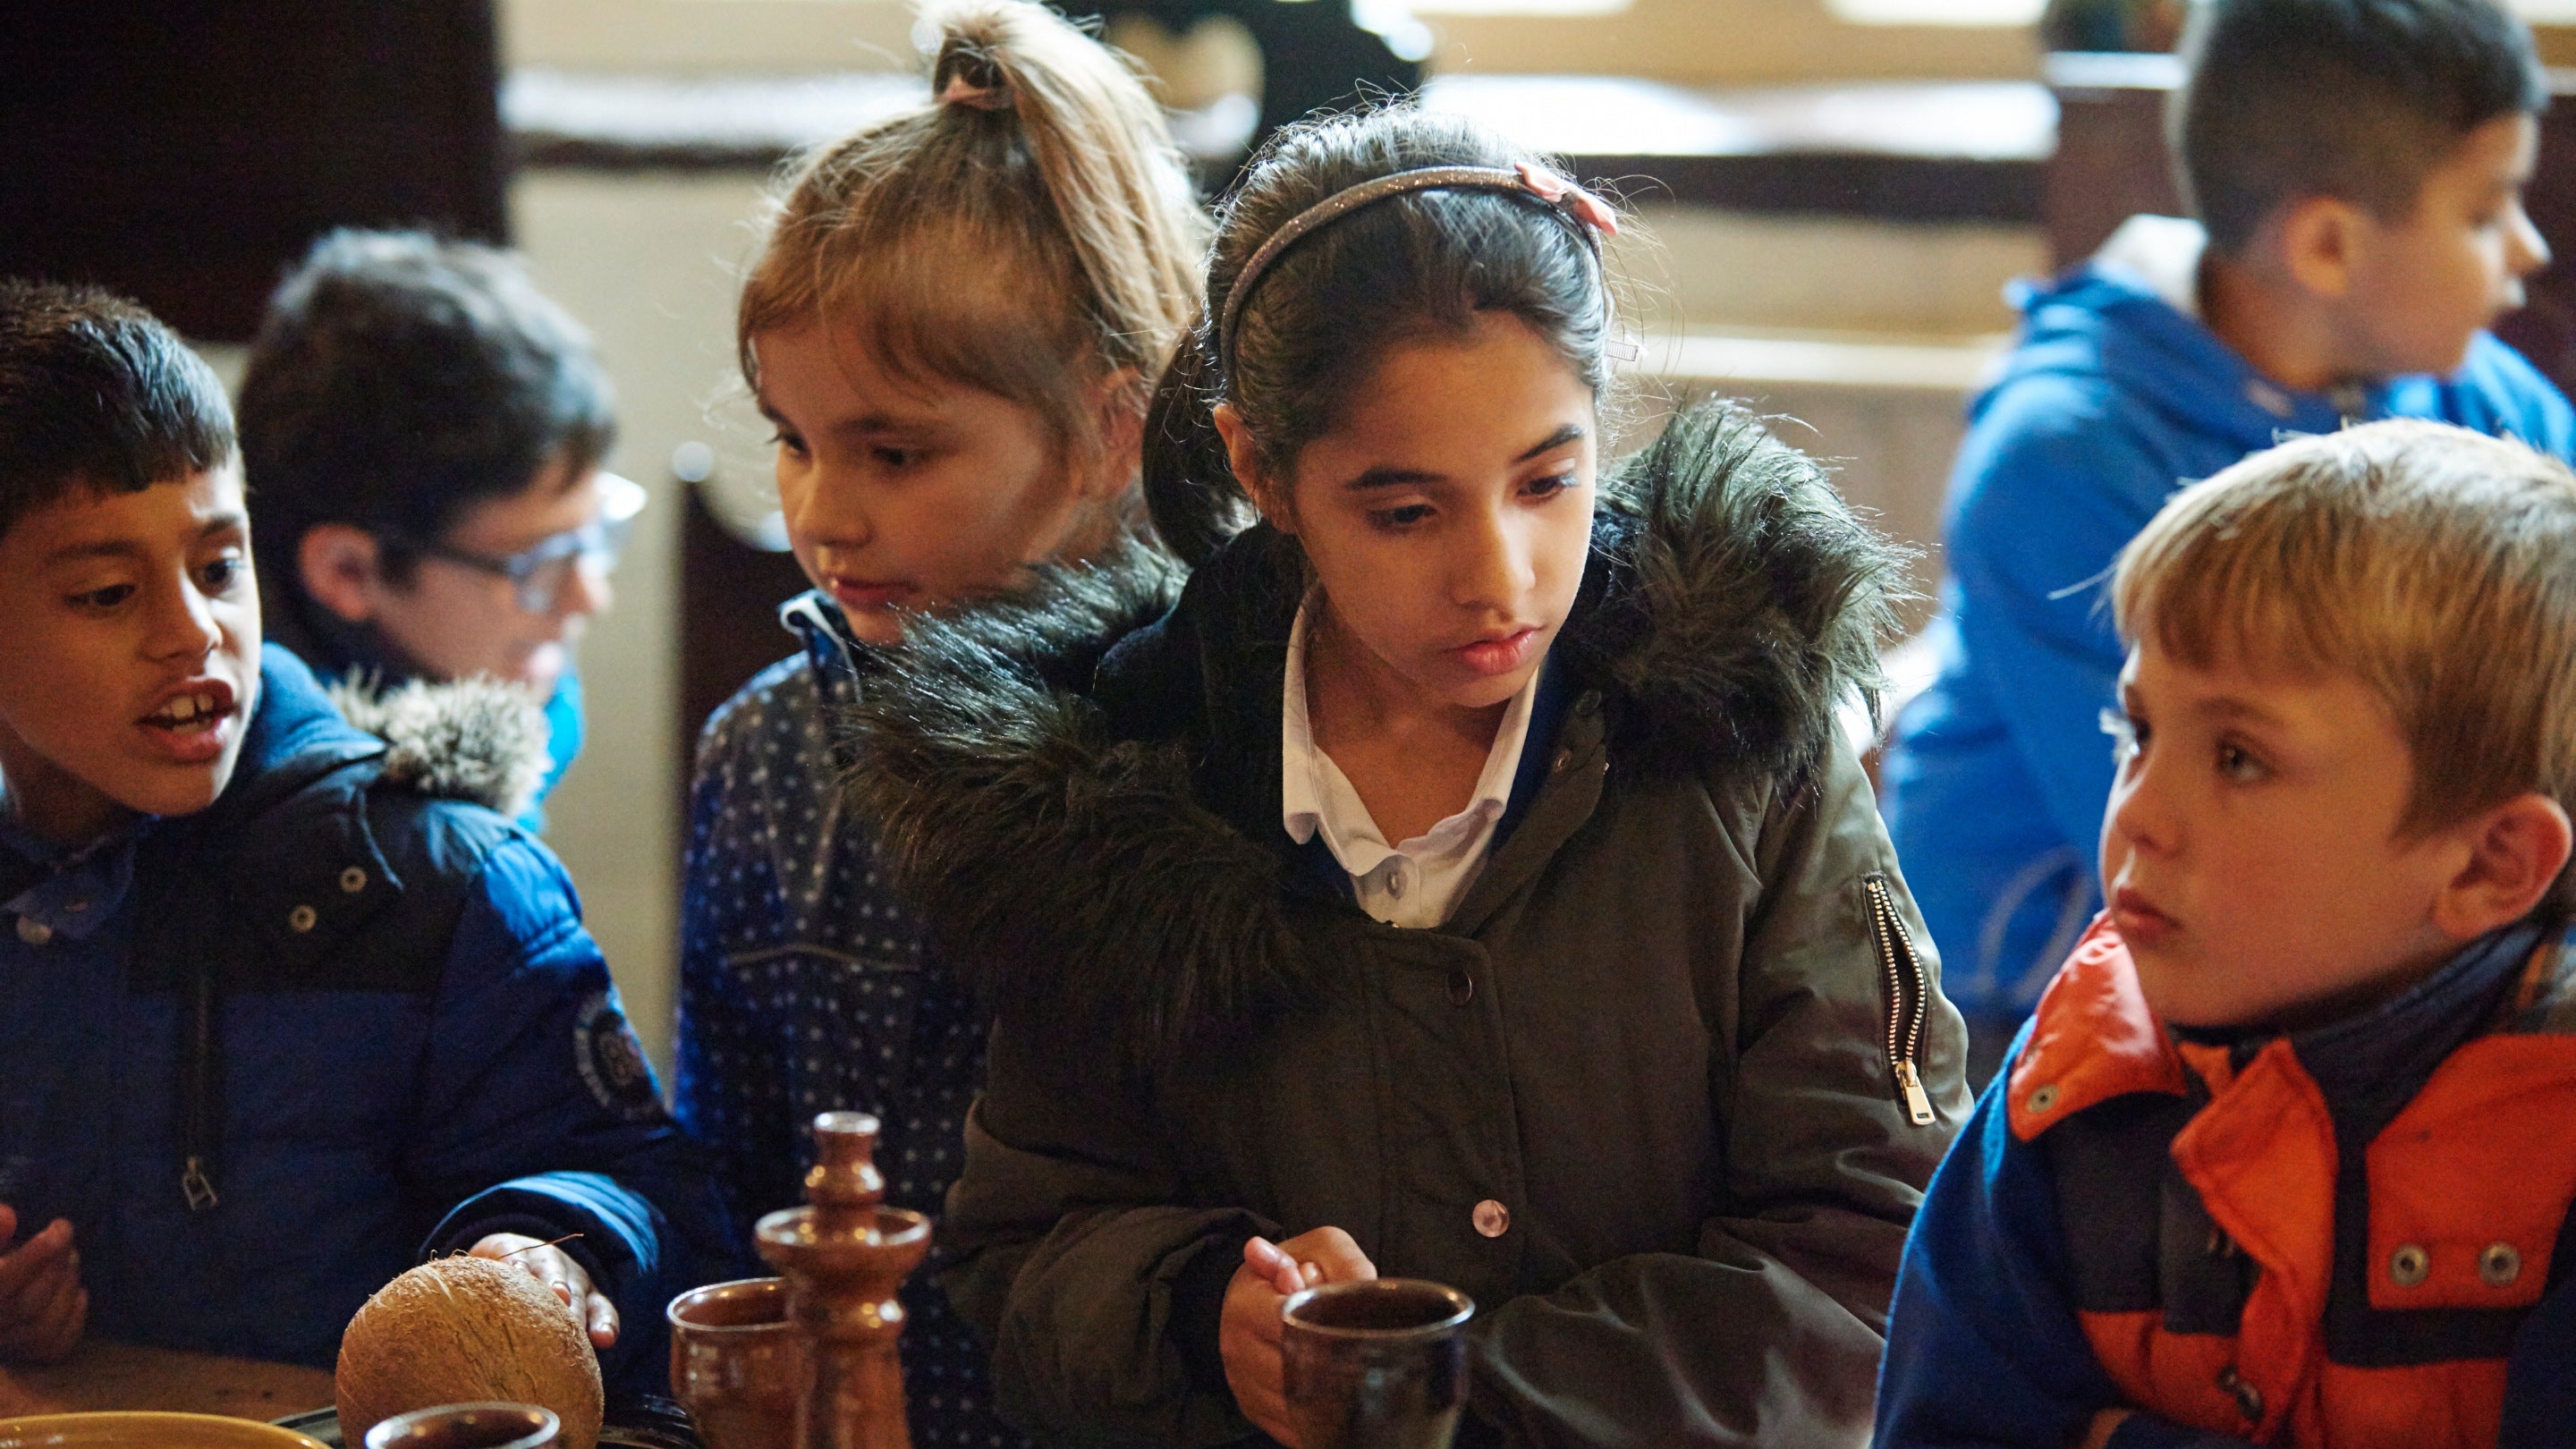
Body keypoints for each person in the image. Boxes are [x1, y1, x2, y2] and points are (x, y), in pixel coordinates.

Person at [833, 106, 1973, 1447]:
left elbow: (1877, 1257)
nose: (1498, 577)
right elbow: (1028, 1256)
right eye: (1406, 512)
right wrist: (1207, 1316)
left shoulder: (1739, 755)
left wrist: (1433, 1398)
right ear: (1260, 466)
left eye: (1546, 483)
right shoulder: (1124, 786)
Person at [0, 280, 725, 1389]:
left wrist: (551, 1249)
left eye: (217, 565)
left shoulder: (446, 884)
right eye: (105, 591)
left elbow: (642, 1191)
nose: (192, 631)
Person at [668, 3, 1205, 1443]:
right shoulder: (765, 754)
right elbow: (722, 1176)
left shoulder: (1208, 744)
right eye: (792, 437)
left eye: (895, 452)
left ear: (1110, 434)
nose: (823, 513)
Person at [1880, 0, 2576, 1075]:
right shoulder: (2065, 460)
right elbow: (2176, 850)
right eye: (2485, 213)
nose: (2527, 249)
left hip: (2379, 937)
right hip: (2029, 1009)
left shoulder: (2492, 408)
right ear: (2329, 245)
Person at [1875, 419, 2576, 1449]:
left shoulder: (2555, 1132)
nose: (2139, 815)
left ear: (2489, 865)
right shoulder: (2074, 1087)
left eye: (2240, 758)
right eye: (2140, 732)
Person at [236, 229, 636, 828]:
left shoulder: (507, 682)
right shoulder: (301, 824)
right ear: (347, 571)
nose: (590, 598)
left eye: (595, 532)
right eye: (537, 565)